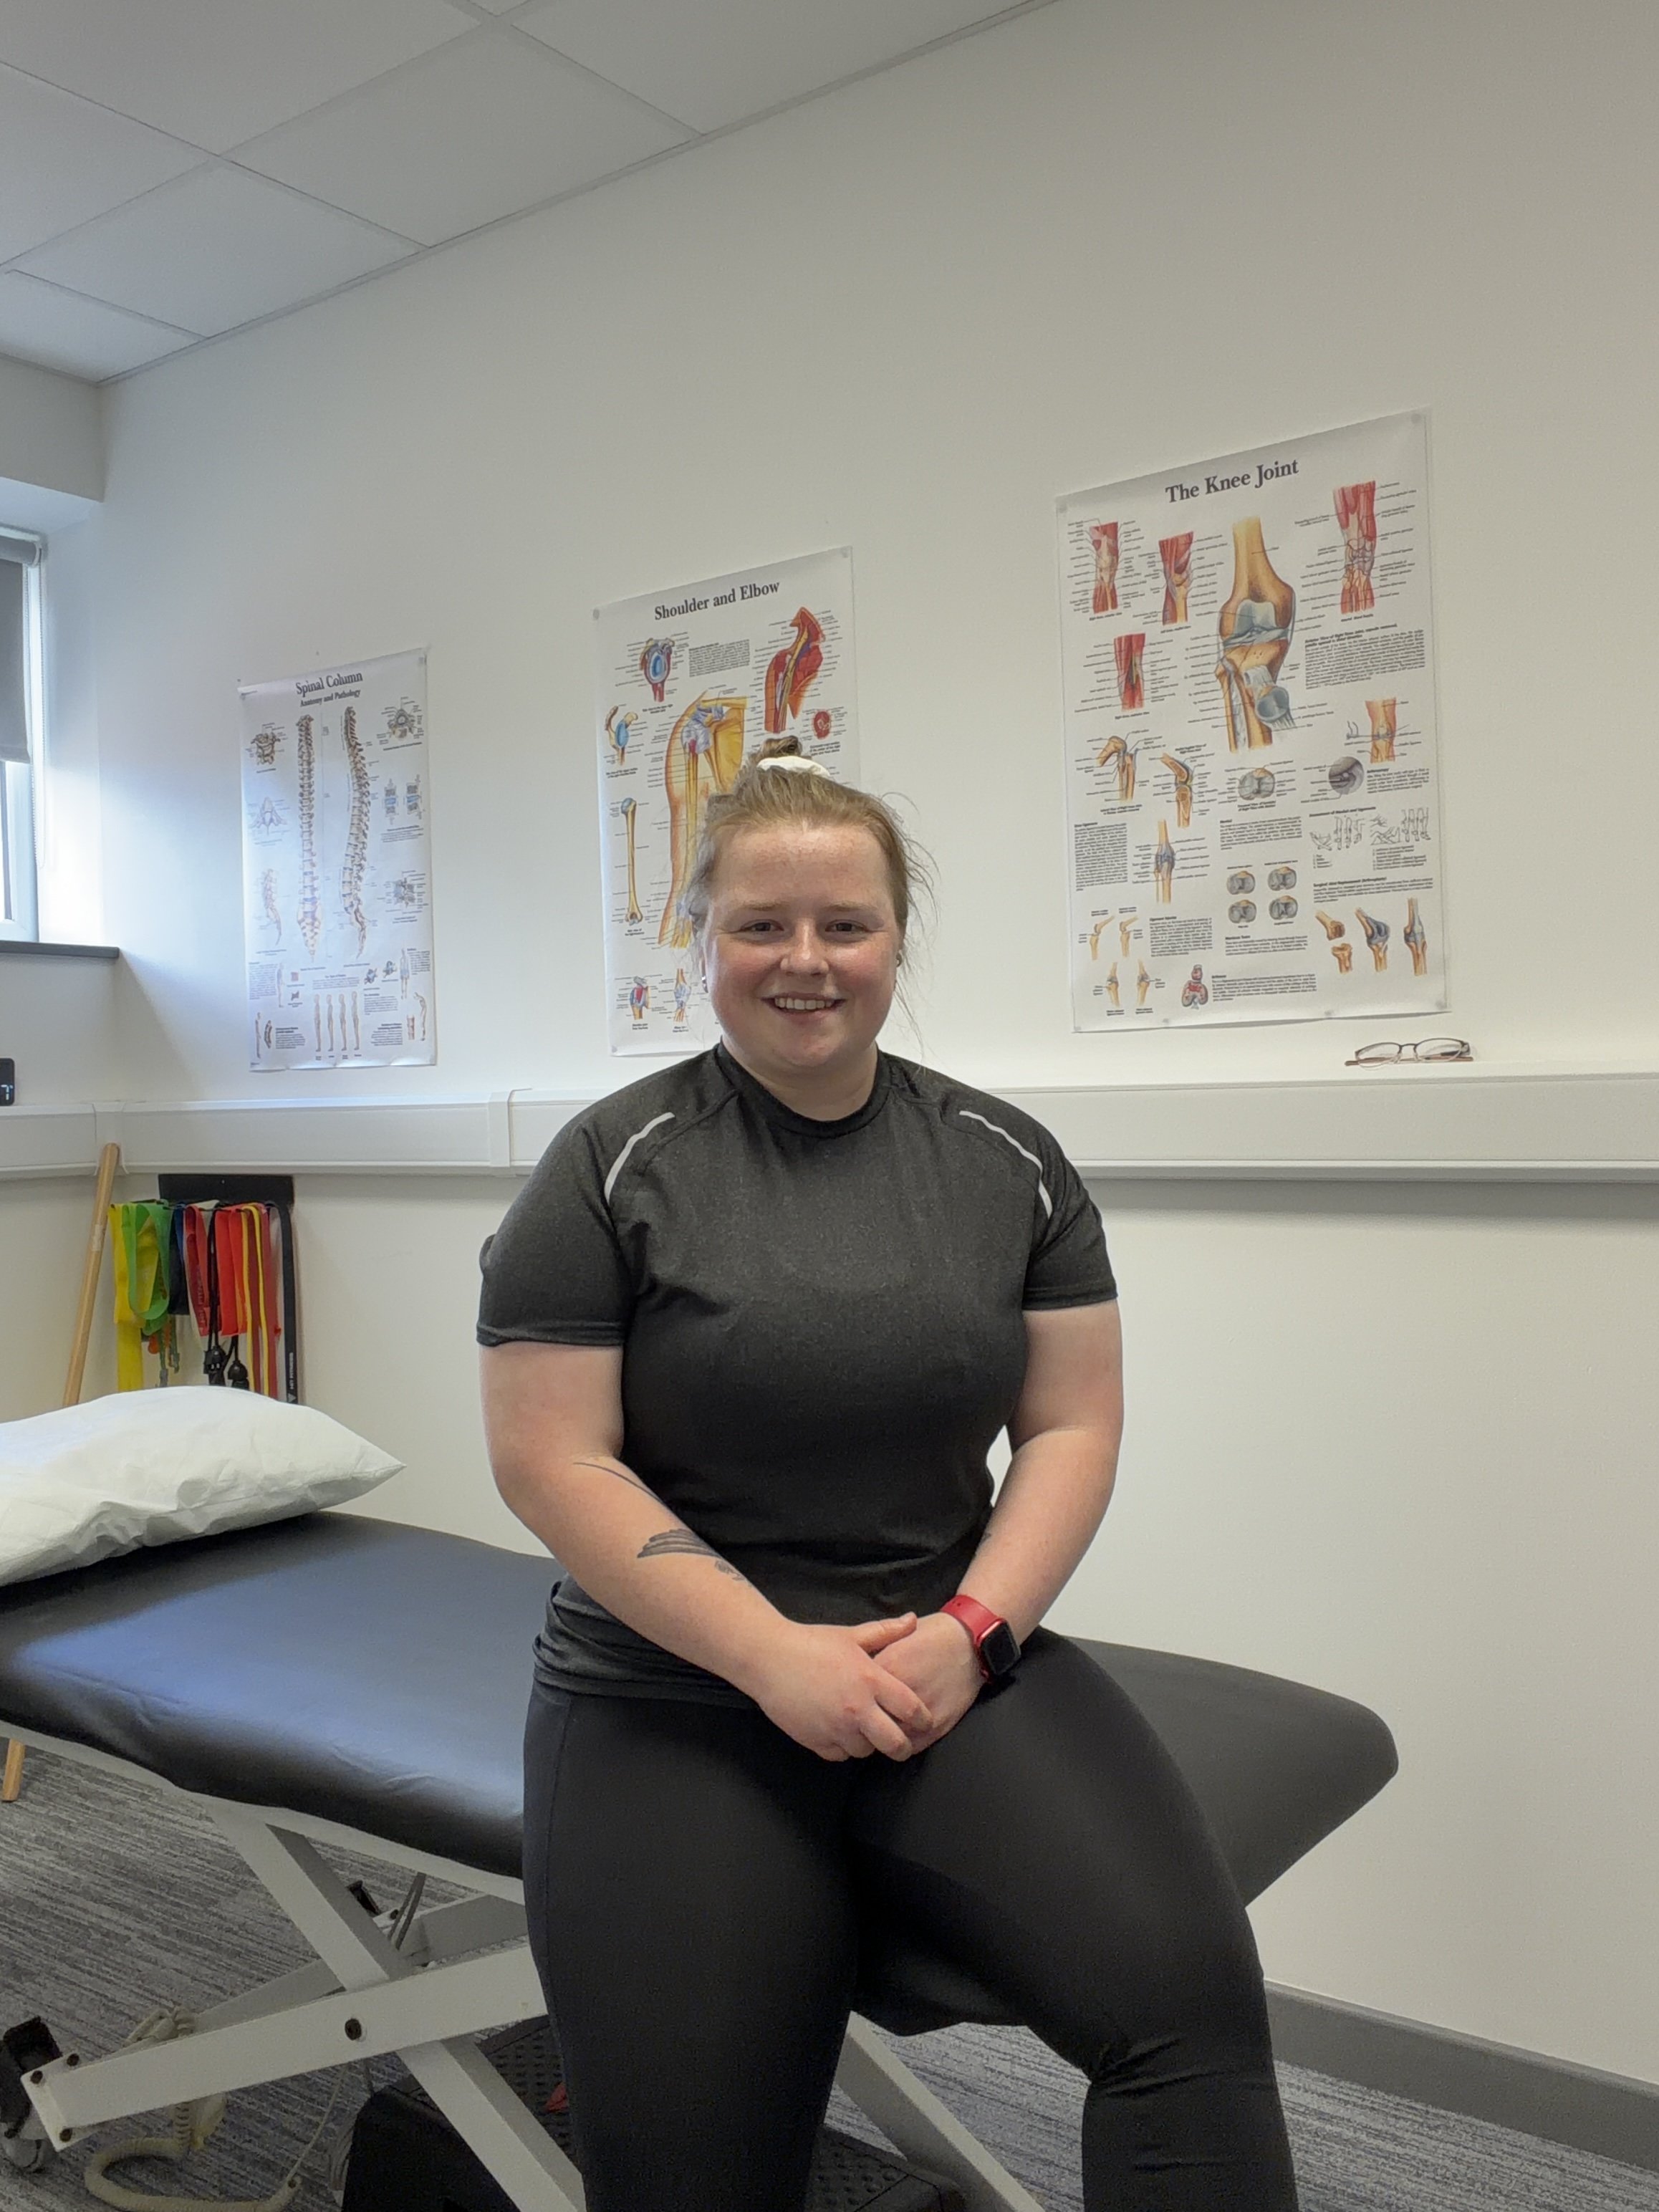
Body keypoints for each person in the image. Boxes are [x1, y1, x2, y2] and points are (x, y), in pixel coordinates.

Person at [478, 738, 1298, 2212]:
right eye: (760, 923)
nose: (806, 959)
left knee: (1191, 2021)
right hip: (673, 1693)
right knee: (693, 2174)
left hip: (949, 1657)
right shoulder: (608, 1169)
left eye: (844, 924)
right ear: (702, 938)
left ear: (895, 940)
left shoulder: (1008, 1160)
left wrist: (974, 1634)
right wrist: (774, 1658)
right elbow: (551, 1457)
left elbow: (1070, 1428)